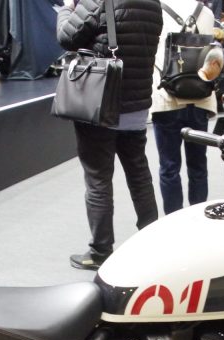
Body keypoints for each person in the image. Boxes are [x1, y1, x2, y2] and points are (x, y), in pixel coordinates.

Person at [57, 0, 162, 271]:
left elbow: (66, 37)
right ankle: (153, 242)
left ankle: (100, 251)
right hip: (137, 105)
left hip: (101, 105)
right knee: (139, 176)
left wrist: (67, 8)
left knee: (98, 180)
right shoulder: (153, 4)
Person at [151, 0, 220, 215]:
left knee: (169, 167)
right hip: (200, 97)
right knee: (198, 166)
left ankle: (174, 220)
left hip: (167, 97)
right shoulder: (206, 12)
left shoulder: (156, 9)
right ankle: (199, 218)